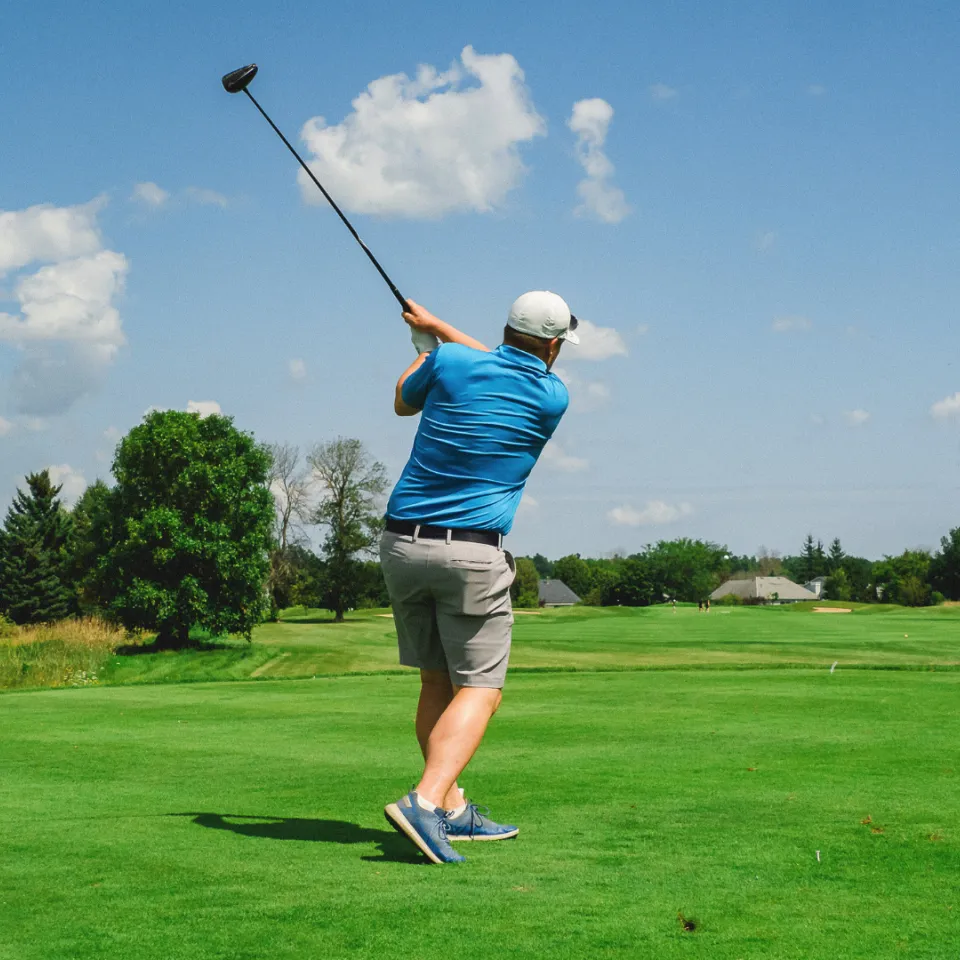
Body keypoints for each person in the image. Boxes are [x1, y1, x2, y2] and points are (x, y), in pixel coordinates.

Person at [381, 291, 578, 864]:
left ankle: (449, 807)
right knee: (482, 689)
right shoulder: (551, 396)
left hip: (400, 544)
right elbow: (498, 362)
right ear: (554, 345)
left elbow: (402, 400)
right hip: (472, 555)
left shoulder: (449, 363)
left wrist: (428, 341)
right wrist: (438, 334)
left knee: (435, 682)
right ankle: (422, 801)